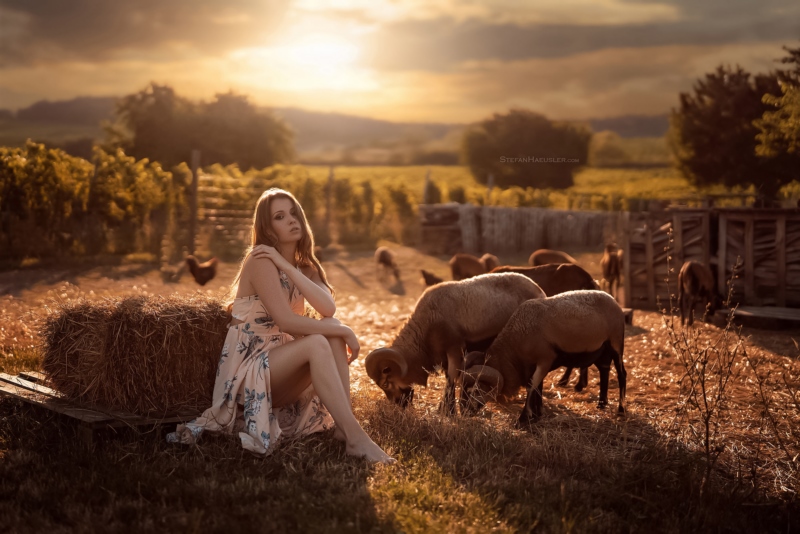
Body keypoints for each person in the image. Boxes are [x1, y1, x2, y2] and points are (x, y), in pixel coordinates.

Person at [167, 188, 394, 463]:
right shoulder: (260, 259)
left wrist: (288, 267)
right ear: (267, 227)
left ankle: (346, 433)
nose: (291, 220)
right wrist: (345, 331)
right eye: (279, 216)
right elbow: (285, 320)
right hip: (250, 368)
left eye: (294, 212)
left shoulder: (305, 267)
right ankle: (357, 438)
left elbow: (328, 309)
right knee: (324, 337)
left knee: (330, 327)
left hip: (281, 364)